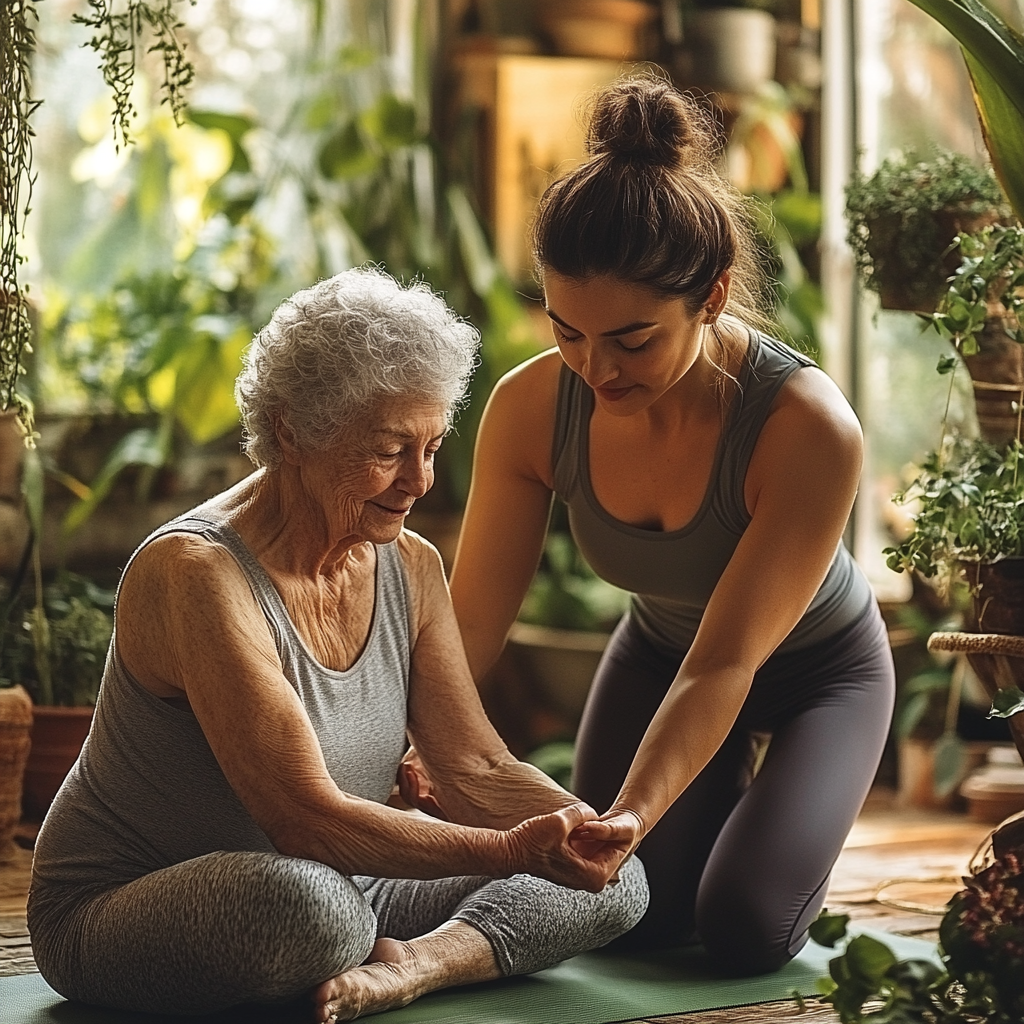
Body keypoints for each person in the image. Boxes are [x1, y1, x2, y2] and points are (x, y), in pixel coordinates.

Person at [28, 267, 648, 1021]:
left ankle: (417, 967)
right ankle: (381, 950)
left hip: (347, 878)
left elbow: (475, 765)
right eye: (390, 449)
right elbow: (305, 819)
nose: (418, 481)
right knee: (318, 912)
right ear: (292, 430)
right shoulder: (194, 573)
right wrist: (511, 851)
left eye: (432, 446)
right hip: (133, 900)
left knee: (620, 879)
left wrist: (582, 834)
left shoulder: (411, 566)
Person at [448, 76, 896, 975]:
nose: (594, 369)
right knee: (630, 918)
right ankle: (710, 811)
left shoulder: (807, 429)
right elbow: (464, 631)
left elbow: (726, 662)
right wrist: (416, 745)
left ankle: (766, 831)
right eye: (567, 330)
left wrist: (635, 817)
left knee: (741, 928)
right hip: (658, 656)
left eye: (632, 339)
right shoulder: (532, 408)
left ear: (715, 295)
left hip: (820, 676)